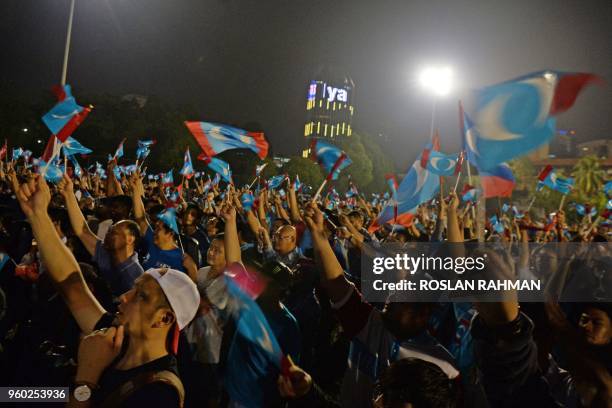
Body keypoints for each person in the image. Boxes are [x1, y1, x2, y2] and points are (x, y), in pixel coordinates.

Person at [14, 175, 200, 407]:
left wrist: (86, 379)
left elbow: (83, 394)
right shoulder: (118, 335)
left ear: (164, 318)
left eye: (140, 296)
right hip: (58, 393)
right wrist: (38, 215)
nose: (123, 297)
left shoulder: (161, 392)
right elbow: (73, 286)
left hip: (78, 389)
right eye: (133, 289)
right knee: (13, 395)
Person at [303, 202, 458, 407]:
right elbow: (337, 283)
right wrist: (317, 233)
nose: (390, 296)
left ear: (423, 313)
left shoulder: (443, 368)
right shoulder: (371, 323)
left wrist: (451, 214)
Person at [58, 174, 143, 296]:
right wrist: (69, 195)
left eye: (114, 233)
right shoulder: (106, 252)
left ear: (130, 239)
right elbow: (82, 231)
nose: (108, 235)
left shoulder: (136, 277)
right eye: (109, 232)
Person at [129, 171, 197, 280]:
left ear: (170, 233)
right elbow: (141, 218)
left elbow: (184, 291)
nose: (154, 231)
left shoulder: (181, 260)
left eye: (158, 229)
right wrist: (135, 189)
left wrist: (192, 271)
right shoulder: (153, 240)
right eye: (155, 228)